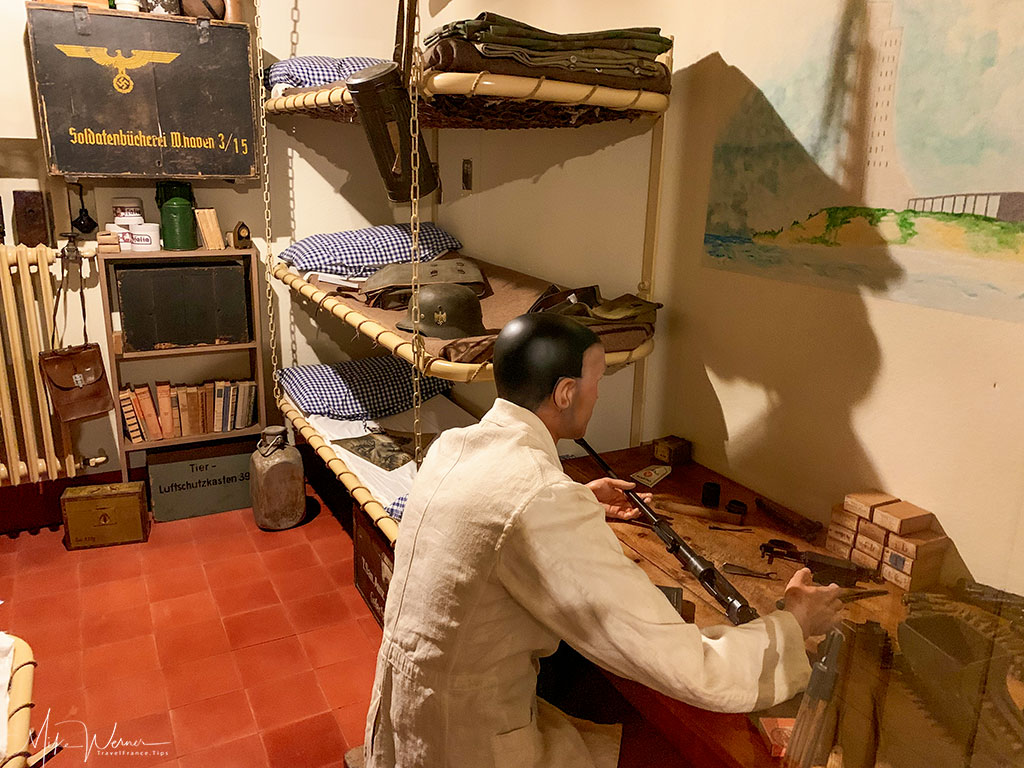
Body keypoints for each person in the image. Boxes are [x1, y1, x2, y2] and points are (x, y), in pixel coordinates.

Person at [364, 313, 842, 768]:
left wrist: (580, 498)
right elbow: (683, 664)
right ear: (567, 392)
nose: (598, 395)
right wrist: (792, 624)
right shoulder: (541, 498)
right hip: (470, 739)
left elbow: (494, 521)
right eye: (597, 381)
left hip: (411, 708)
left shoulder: (455, 446)